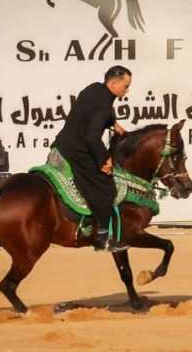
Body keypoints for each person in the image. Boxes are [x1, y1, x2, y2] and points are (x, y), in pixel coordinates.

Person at [52, 66, 130, 251]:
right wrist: (104, 161)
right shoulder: (104, 106)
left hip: (63, 143)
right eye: (125, 86)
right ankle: (104, 236)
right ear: (113, 83)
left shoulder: (94, 88)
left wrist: (114, 124)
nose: (127, 91)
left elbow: (90, 110)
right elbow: (91, 137)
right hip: (78, 151)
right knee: (106, 187)